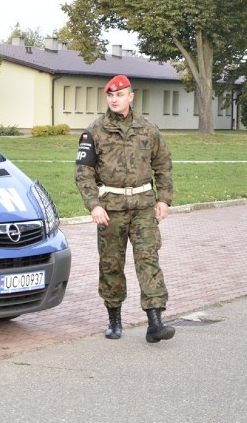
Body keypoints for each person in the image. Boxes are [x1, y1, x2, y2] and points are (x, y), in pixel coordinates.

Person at [74, 74, 175, 343]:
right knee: (111, 265)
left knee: (148, 260)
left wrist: (164, 199)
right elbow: (84, 173)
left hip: (143, 207)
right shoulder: (95, 131)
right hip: (111, 210)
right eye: (110, 95)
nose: (114, 99)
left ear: (131, 97)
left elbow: (163, 165)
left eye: (119, 95)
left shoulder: (148, 129)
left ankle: (155, 323)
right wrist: (93, 205)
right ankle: (114, 319)